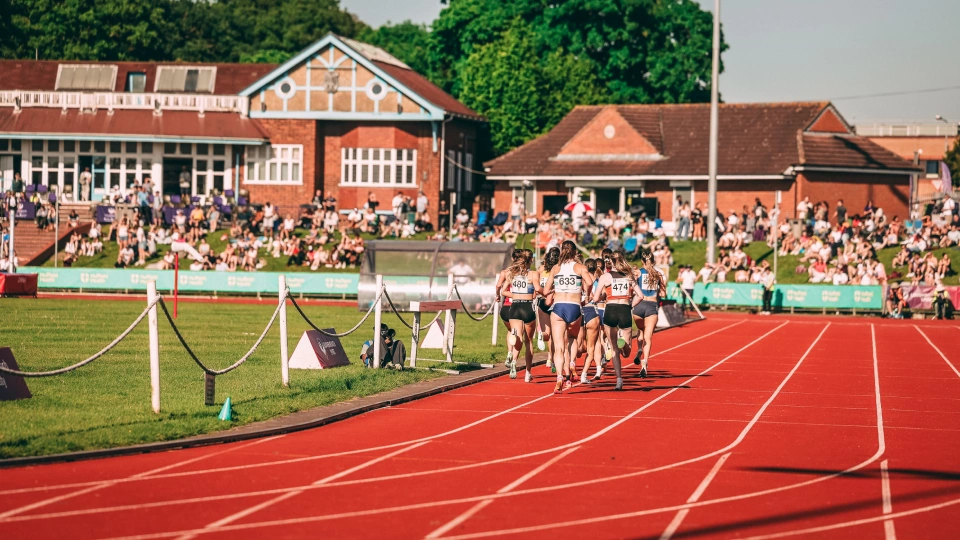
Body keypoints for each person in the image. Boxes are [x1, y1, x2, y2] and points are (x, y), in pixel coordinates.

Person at [544, 241, 594, 392]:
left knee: (559, 346)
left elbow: (545, 290)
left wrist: (555, 289)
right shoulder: (580, 267)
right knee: (572, 339)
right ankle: (571, 364)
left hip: (558, 307)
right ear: (574, 252)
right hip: (574, 307)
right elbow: (590, 281)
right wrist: (585, 295)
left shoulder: (555, 268)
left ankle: (560, 377)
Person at [593, 251, 643, 390]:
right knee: (626, 353)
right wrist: (630, 306)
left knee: (613, 348)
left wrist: (604, 296)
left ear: (610, 263)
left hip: (610, 310)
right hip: (624, 309)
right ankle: (624, 345)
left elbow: (596, 298)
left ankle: (619, 380)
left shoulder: (605, 277)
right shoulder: (629, 276)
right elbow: (640, 296)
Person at [500, 249, 540, 381]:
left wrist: (516, 295)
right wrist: (549, 291)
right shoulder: (533, 274)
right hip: (527, 307)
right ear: (530, 261)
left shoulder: (512, 274)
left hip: (515, 307)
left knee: (517, 336)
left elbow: (503, 291)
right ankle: (528, 373)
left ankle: (513, 358)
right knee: (528, 341)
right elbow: (538, 289)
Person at [631, 248, 666, 377]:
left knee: (641, 331)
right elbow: (663, 293)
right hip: (651, 306)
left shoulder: (637, 273)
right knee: (648, 336)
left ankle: (639, 349)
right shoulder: (658, 274)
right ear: (653, 260)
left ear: (642, 260)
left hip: (639, 306)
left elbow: (631, 287)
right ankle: (644, 362)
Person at [580, 258, 605, 383]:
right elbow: (603, 295)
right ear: (595, 268)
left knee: (576, 344)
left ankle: (570, 367)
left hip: (579, 311)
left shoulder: (580, 279)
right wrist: (599, 297)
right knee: (594, 345)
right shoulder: (598, 281)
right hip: (593, 311)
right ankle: (586, 374)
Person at [535, 248, 560, 369]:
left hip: (542, 301)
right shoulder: (559, 270)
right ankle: (554, 359)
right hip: (556, 302)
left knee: (547, 333)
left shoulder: (541, 270)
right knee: (557, 334)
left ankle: (550, 357)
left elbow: (536, 286)